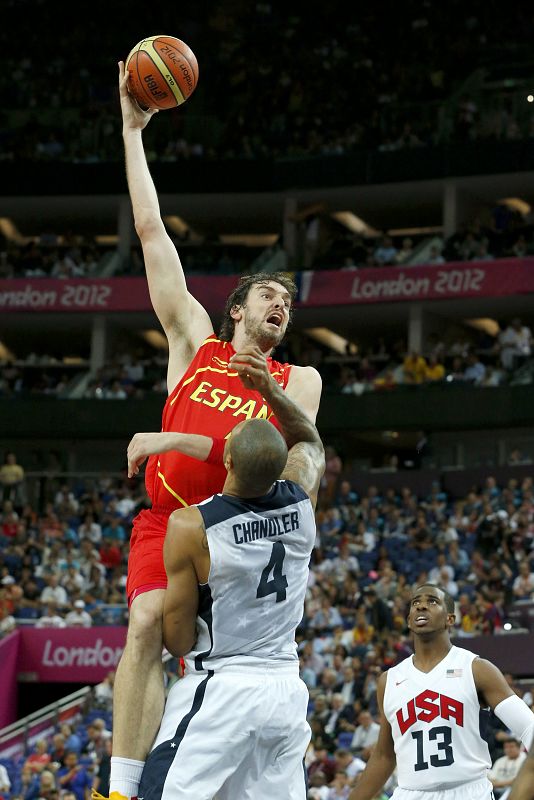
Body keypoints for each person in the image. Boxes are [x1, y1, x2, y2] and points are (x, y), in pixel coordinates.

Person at [101, 62, 323, 800]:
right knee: (140, 625)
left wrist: (168, 441)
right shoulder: (195, 344)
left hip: (238, 537)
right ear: (235, 310)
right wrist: (133, 133)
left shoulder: (300, 381)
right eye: (269, 293)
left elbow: (285, 460)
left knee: (218, 681)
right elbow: (150, 229)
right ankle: (121, 788)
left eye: (289, 300)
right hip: (168, 523)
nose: (281, 304)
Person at [129, 347, 325, 799]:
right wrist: (271, 390)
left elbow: (176, 639)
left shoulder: (192, 525)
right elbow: (309, 441)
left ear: (227, 462)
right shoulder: (301, 503)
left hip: (221, 691)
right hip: (285, 695)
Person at [348, 583, 534, 800]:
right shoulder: (389, 680)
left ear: (450, 619)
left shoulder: (476, 669)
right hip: (409, 793)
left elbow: (530, 728)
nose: (421, 607)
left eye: (432, 601)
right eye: (415, 603)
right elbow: (384, 756)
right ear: (408, 620)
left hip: (468, 791)